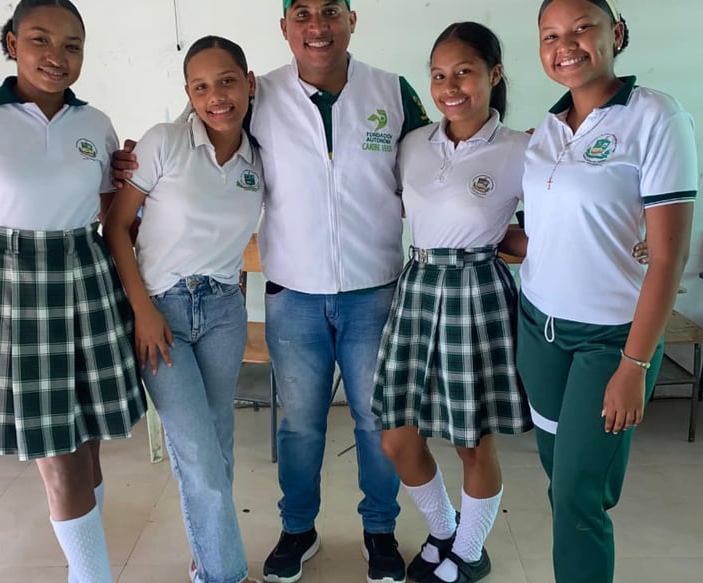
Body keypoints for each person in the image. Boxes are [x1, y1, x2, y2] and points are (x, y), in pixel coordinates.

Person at [112, 1, 430, 581]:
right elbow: (201, 127)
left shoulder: (394, 91)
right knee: (299, 424)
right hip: (293, 295)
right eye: (301, 13)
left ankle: (380, 531)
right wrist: (127, 162)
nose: (317, 26)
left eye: (330, 11)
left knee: (375, 419)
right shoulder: (262, 97)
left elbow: (435, 163)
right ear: (284, 28)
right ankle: (298, 528)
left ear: (352, 19)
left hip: (375, 291)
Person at [0, 1, 145, 582]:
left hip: (86, 281)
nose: (57, 56)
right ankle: (92, 576)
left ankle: (86, 566)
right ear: (11, 43)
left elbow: (114, 223)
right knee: (58, 452)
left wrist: (138, 181)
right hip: (6, 289)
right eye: (40, 40)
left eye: (72, 45)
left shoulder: (95, 125)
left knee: (88, 441)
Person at [517, 1, 697, 581]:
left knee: (579, 497)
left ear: (615, 34)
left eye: (581, 29)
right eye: (550, 36)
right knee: (562, 479)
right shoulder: (546, 130)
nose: (564, 45)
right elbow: (549, 232)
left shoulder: (656, 117)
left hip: (610, 339)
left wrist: (635, 364)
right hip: (539, 331)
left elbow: (668, 257)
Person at [372, 22, 532, 583]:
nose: (450, 87)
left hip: (476, 293)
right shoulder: (413, 144)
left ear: (494, 74)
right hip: (417, 287)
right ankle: (444, 528)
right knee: (397, 435)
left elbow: (543, 230)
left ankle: (469, 551)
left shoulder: (520, 150)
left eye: (464, 72)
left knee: (472, 441)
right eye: (439, 75)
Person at [103, 35, 263, 583]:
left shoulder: (259, 159)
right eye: (201, 87)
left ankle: (207, 556)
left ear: (249, 84)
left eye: (227, 82)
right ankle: (224, 574)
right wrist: (143, 310)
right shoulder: (165, 142)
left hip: (223, 312)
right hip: (162, 314)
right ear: (189, 94)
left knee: (217, 446)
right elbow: (116, 228)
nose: (216, 97)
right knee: (197, 454)